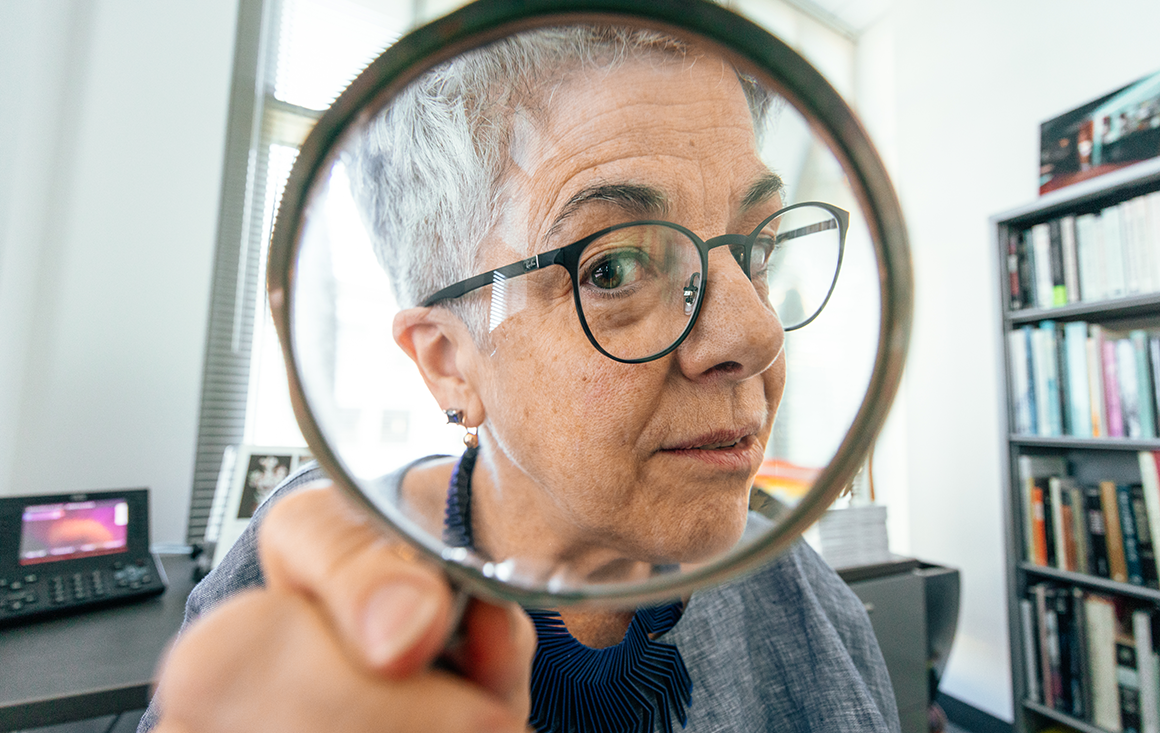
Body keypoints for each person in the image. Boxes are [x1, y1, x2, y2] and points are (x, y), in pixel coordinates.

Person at [144, 26, 900, 733]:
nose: (757, 334)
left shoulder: (814, 609)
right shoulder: (294, 595)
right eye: (615, 267)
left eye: (758, 250)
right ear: (447, 362)